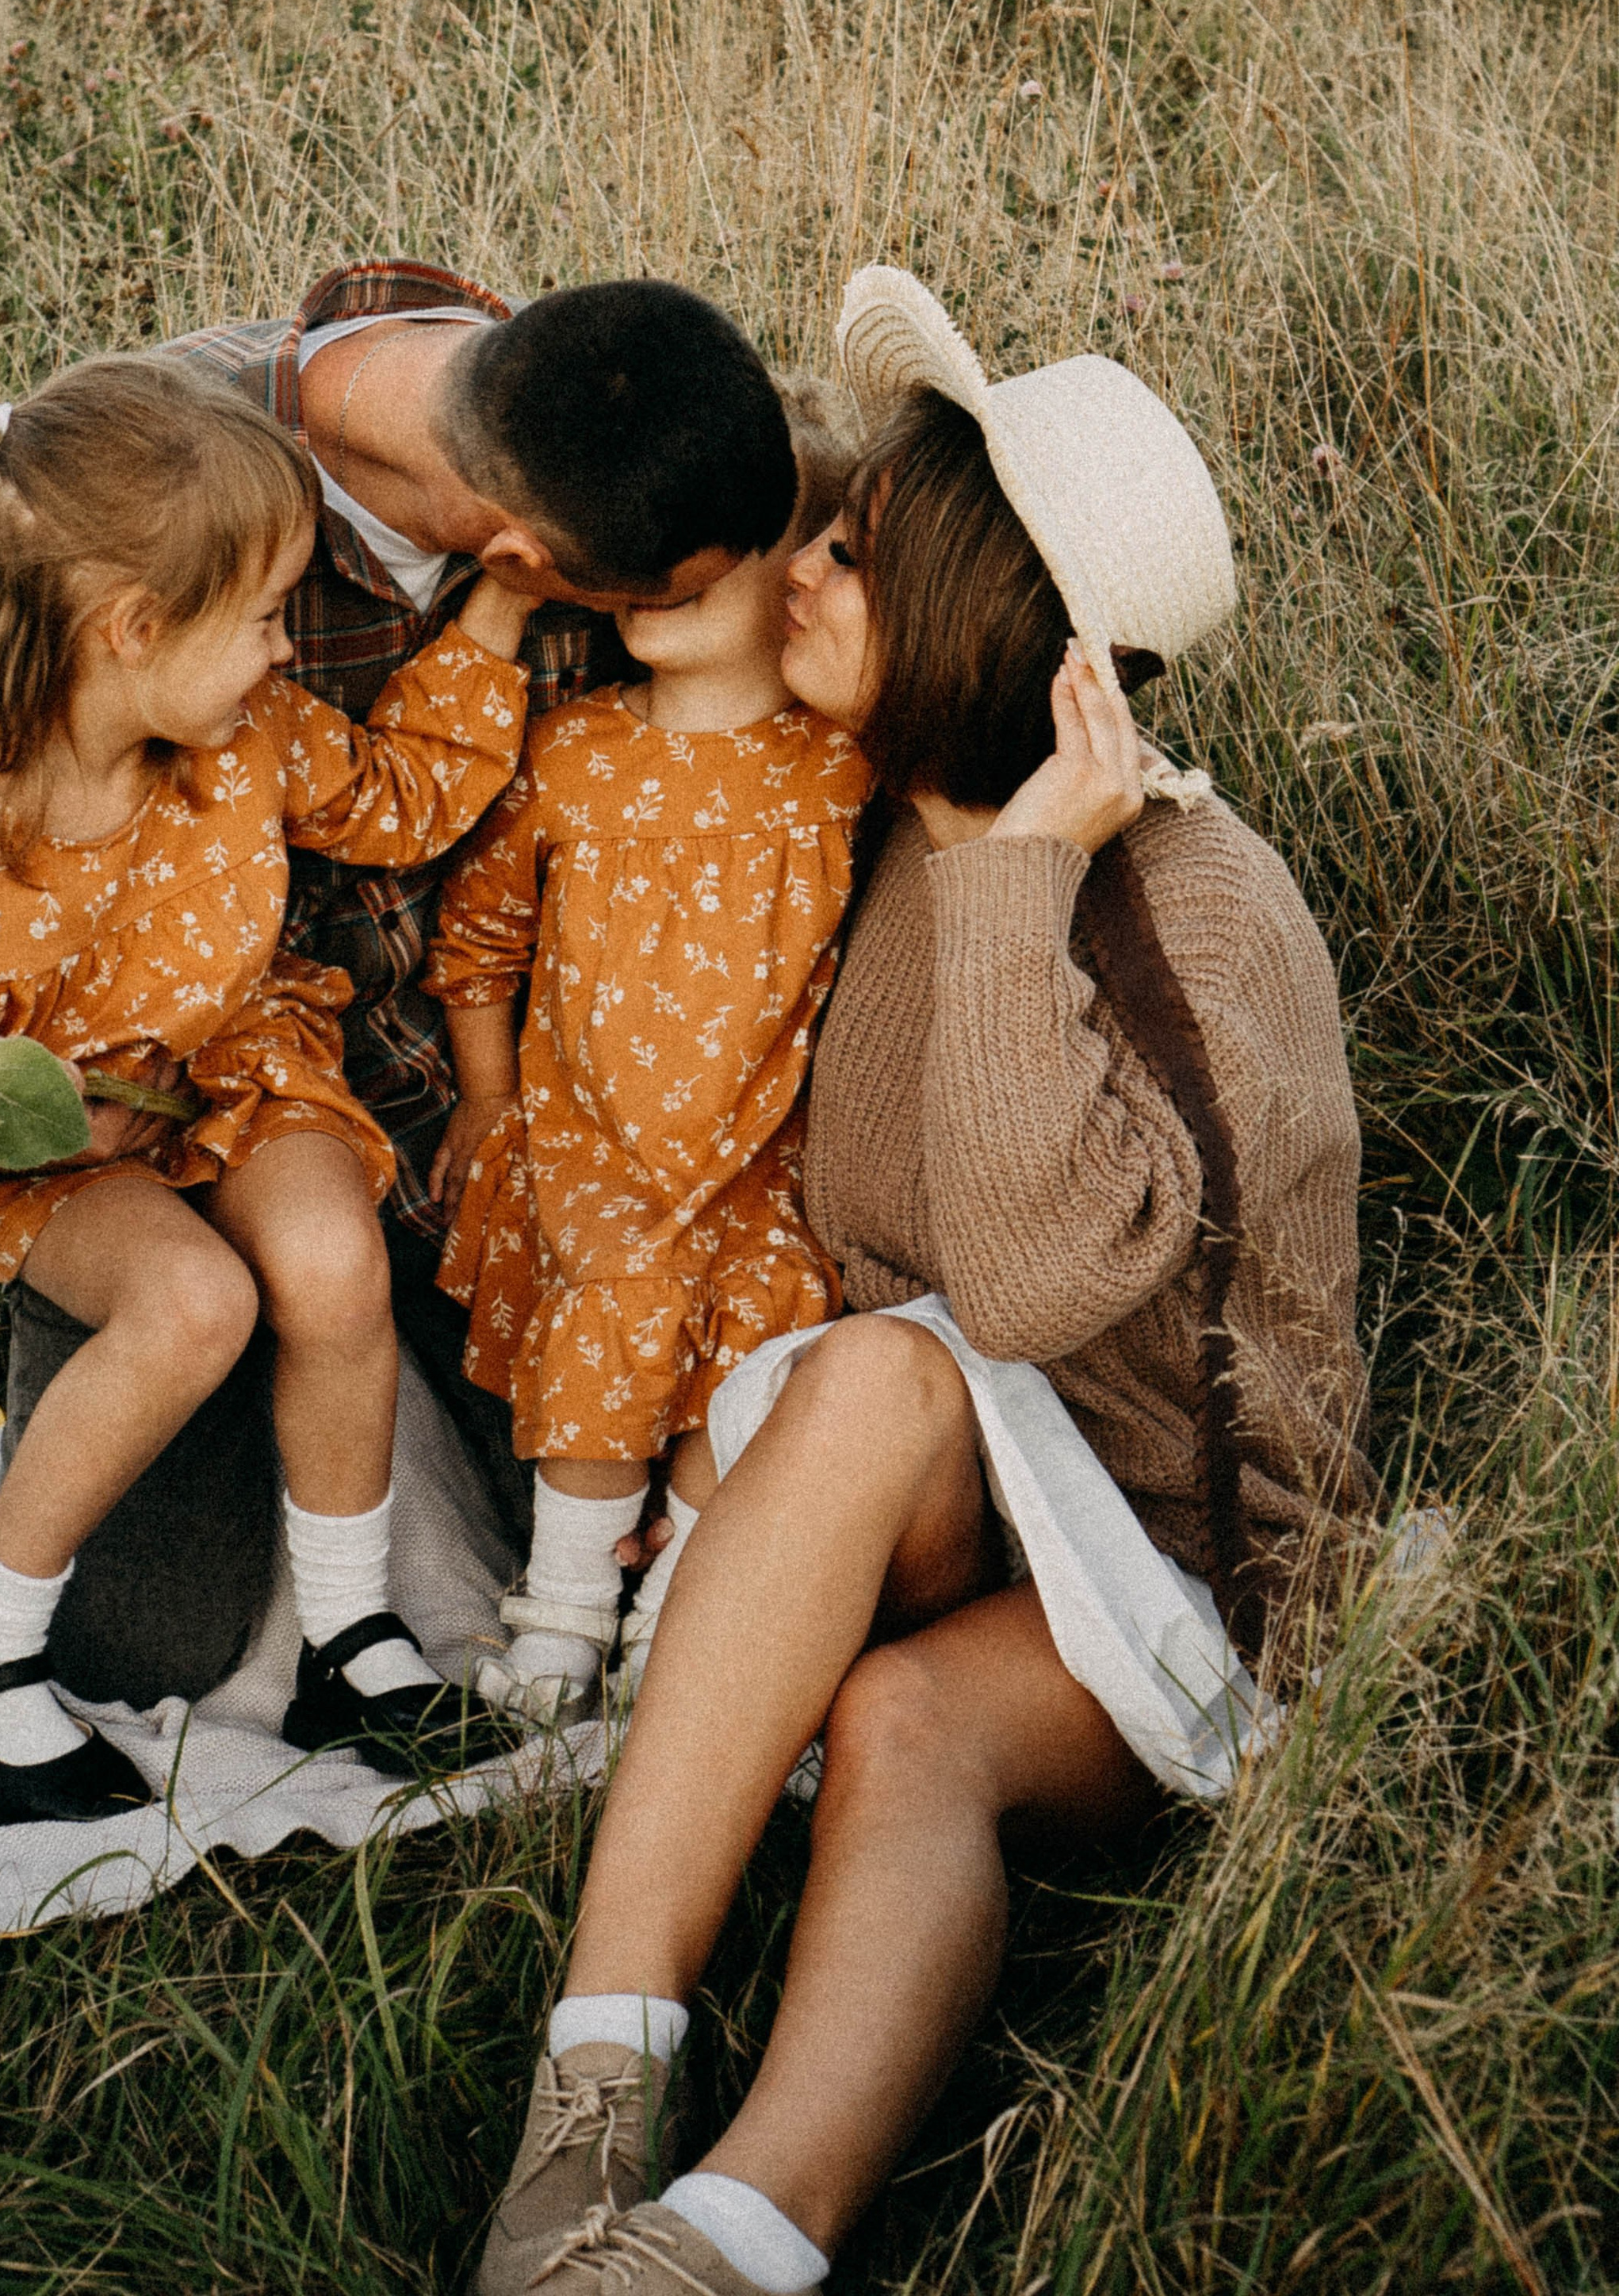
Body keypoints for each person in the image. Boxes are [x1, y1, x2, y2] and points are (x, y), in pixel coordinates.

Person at [469, 267, 1379, 2296]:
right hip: (952, 1447)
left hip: (1190, 1572)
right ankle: (592, 2089)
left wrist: (1013, 886)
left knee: (901, 1710)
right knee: (867, 1391)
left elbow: (1034, 1283)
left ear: (974, 622)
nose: (795, 567)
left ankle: (728, 2235)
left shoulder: (1184, 924)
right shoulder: (885, 798)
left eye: (848, 553)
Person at [0, 264, 801, 1708]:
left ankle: (362, 1620)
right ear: (521, 557)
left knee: (570, 1500)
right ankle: (0, 1636)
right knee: (145, 1641)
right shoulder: (144, 493)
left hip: (394, 1129)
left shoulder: (590, 419)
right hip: (95, 1147)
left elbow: (413, 798)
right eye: (639, 607)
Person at [0, 355, 545, 1823]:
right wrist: (25, 1113)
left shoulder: (252, 742)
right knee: (196, 1303)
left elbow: (401, 803)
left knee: (334, 1258)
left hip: (236, 1064)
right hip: (50, 1151)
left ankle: (349, 1637)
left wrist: (505, 612)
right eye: (269, 618)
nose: (289, 652)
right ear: (136, 628)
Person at [423, 382, 869, 1723]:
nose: (658, 568)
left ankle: (676, 1627)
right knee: (612, 1303)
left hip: (754, 1156)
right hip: (589, 1144)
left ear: (796, 573)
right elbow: (480, 939)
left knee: (763, 1337)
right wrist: (487, 1100)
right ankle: (559, 1621)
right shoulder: (572, 754)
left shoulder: (840, 768)